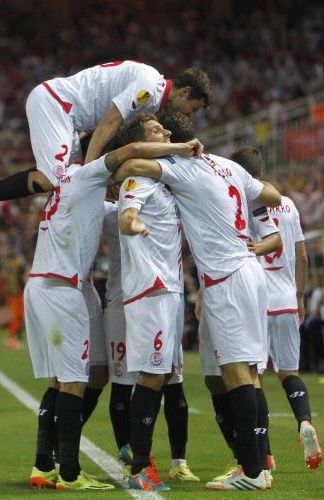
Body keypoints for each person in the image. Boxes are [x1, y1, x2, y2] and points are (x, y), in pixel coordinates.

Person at [25, 116, 200, 491]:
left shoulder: (90, 189)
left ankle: (48, 461)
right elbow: (130, 166)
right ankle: (74, 467)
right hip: (98, 292)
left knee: (94, 376)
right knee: (87, 380)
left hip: (87, 289)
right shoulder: (103, 183)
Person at [112, 114, 282, 491]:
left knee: (235, 372)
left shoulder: (181, 171)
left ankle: (251, 471)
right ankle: (258, 465)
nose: (167, 135)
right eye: (160, 132)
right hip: (232, 274)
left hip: (222, 277)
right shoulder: (228, 167)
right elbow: (271, 195)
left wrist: (171, 153)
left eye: (168, 132)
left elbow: (131, 162)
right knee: (245, 373)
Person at [0, 60, 212, 240]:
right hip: (57, 104)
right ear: (185, 91)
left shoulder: (153, 101)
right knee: (56, 179)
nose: (192, 115)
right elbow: (108, 123)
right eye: (195, 107)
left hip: (71, 118)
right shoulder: (149, 88)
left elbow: (110, 134)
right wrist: (93, 173)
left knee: (60, 179)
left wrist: (95, 172)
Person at [103, 155, 198, 488]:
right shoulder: (136, 182)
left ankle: (151, 465)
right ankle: (140, 468)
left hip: (169, 292)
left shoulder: (166, 187)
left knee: (164, 376)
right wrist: (134, 224)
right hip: (150, 288)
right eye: (155, 130)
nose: (162, 134)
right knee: (150, 375)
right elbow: (126, 217)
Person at [195, 147, 283, 486]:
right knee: (222, 375)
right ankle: (256, 460)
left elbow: (273, 236)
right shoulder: (232, 194)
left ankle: (251, 464)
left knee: (239, 371)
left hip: (233, 284)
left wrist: (252, 249)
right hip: (227, 285)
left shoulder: (245, 197)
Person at [232, 147, 322, 470]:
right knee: (289, 373)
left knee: (253, 378)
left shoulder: (243, 201)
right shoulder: (288, 204)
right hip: (286, 300)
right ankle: (305, 422)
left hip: (256, 298)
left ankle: (264, 453)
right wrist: (299, 296)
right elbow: (302, 257)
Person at [0, 247, 26, 350]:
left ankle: (13, 338)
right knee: (18, 316)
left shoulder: (6, 265)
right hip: (17, 292)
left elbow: (2, 277)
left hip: (10, 292)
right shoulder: (17, 264)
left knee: (16, 316)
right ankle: (10, 338)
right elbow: (23, 274)